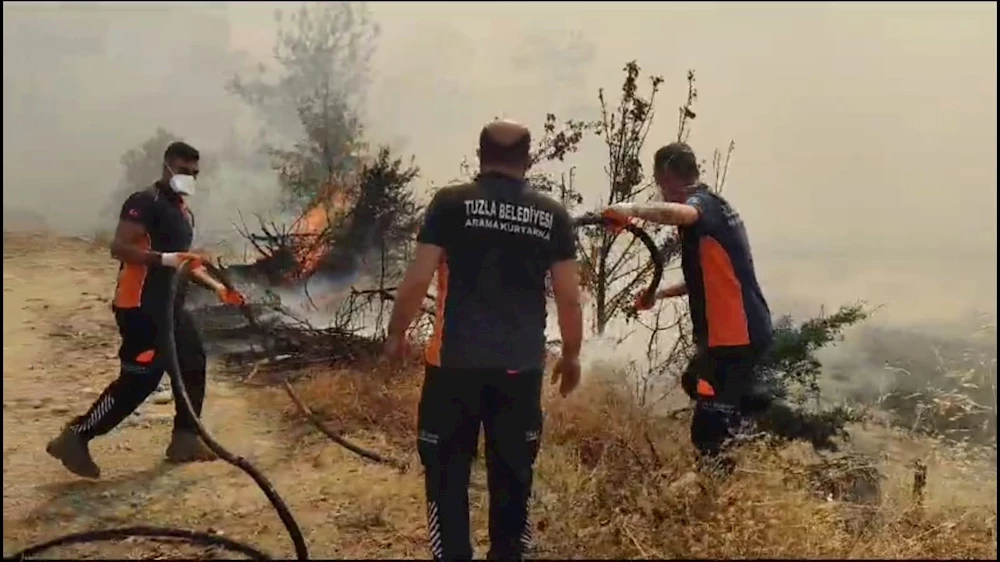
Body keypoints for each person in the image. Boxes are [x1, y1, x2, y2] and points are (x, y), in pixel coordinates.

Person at [384, 119, 584, 561]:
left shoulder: (451, 203)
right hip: (520, 371)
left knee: (446, 475)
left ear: (480, 155)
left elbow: (418, 278)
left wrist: (398, 333)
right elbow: (569, 298)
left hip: (453, 368)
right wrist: (571, 356)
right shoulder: (551, 215)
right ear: (527, 159)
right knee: (514, 476)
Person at [46, 141, 245, 479]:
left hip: (170, 305)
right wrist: (162, 259)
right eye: (184, 171)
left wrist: (219, 288)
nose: (189, 178)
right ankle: (76, 436)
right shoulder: (143, 202)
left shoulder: (182, 210)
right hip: (139, 305)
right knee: (140, 381)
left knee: (193, 362)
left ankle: (185, 440)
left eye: (194, 173)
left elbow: (184, 263)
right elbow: (119, 247)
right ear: (167, 166)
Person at [601, 142, 773, 473]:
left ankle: (720, 488)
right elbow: (706, 280)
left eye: (657, 180)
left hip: (734, 338)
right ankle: (742, 416)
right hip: (743, 332)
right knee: (695, 380)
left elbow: (683, 213)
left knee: (708, 432)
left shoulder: (700, 206)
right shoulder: (717, 209)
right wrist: (659, 294)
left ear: (665, 174)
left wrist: (629, 209)